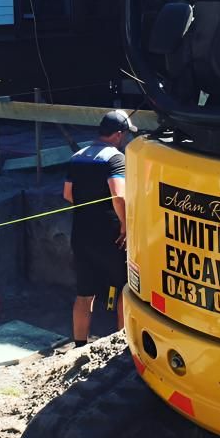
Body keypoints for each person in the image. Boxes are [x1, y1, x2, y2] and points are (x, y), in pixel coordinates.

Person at [63, 109, 137, 347]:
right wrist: (125, 225)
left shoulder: (78, 156)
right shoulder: (116, 158)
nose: (125, 139)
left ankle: (79, 345)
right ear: (117, 134)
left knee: (85, 292)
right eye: (125, 135)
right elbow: (118, 195)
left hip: (81, 232)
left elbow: (67, 194)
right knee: (123, 290)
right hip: (111, 235)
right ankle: (121, 344)